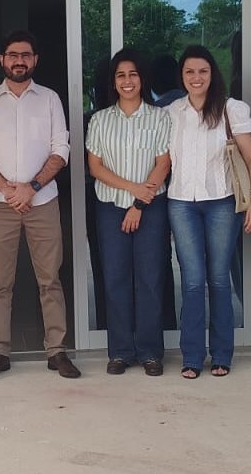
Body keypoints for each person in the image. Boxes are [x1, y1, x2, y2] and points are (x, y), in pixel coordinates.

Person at [0, 30, 77, 381]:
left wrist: (31, 188)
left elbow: (61, 149)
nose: (19, 60)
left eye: (26, 55)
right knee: (0, 282)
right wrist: (7, 189)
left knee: (50, 279)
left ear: (35, 60)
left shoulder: (49, 99)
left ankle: (56, 350)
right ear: (2, 59)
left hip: (42, 201)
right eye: (13, 55)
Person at [165, 45, 251, 379]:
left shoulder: (231, 109)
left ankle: (222, 355)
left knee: (219, 279)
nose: (196, 78)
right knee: (192, 281)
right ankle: (192, 356)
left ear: (212, 74)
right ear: (182, 76)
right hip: (181, 203)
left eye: (203, 71)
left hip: (222, 201)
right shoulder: (172, 112)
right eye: (190, 72)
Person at [85, 49, 173, 377]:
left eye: (133, 74)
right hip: (110, 207)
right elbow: (95, 167)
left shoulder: (159, 117)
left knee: (150, 279)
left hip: (151, 209)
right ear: (113, 81)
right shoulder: (100, 120)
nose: (127, 81)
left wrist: (139, 203)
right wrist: (133, 189)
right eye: (120, 75)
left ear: (142, 79)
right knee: (115, 278)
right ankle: (121, 351)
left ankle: (150, 352)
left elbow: (163, 163)